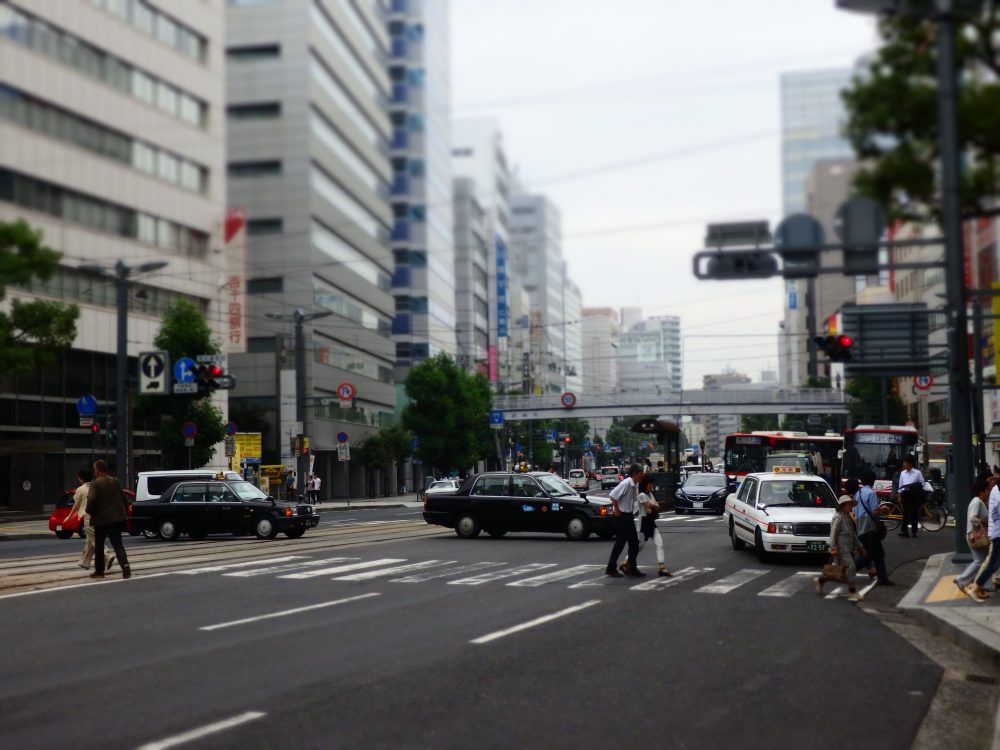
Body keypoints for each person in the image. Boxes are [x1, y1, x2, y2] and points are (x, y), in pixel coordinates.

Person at [814, 495, 866, 601]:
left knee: (838, 572)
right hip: (840, 550)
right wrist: (833, 548)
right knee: (851, 567)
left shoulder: (847, 516)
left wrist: (860, 547)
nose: (851, 506)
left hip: (848, 548)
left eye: (851, 504)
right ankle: (852, 592)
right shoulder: (838, 517)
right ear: (843, 505)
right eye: (849, 504)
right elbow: (833, 534)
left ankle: (820, 580)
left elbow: (853, 534)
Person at [86, 460, 131, 580]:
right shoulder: (115, 481)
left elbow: (91, 499)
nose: (94, 472)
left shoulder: (95, 483)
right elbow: (124, 499)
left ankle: (99, 571)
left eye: (95, 469)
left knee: (99, 545)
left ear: (98, 470)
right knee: (118, 545)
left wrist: (89, 510)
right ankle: (125, 565)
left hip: (101, 520)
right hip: (116, 519)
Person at [66, 467, 114, 572]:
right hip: (100, 516)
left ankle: (107, 555)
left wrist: (69, 517)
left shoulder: (80, 489)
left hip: (88, 517)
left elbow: (76, 505)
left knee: (94, 540)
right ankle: (85, 562)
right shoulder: (96, 486)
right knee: (90, 539)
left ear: (81, 478)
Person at [605, 463, 646, 578]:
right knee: (620, 544)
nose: (642, 476)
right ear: (634, 473)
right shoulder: (626, 483)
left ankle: (631, 568)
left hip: (628, 516)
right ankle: (611, 568)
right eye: (641, 474)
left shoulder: (634, 485)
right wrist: (617, 510)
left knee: (634, 544)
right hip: (621, 517)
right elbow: (613, 496)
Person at [854, 470, 893, 586]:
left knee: (878, 553)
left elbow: (854, 511)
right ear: (873, 481)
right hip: (870, 526)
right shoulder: (871, 493)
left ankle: (882, 578)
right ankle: (852, 568)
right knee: (874, 553)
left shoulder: (858, 493)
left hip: (860, 526)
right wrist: (884, 508)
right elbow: (875, 512)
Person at [955, 477, 992, 599]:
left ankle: (977, 586)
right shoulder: (977, 502)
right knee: (979, 562)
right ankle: (962, 580)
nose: (988, 493)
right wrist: (983, 523)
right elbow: (973, 518)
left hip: (972, 534)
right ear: (983, 491)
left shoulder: (976, 501)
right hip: (975, 536)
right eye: (987, 490)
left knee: (981, 561)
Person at [969, 476, 1000, 602]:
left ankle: (977, 586)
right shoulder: (997, 493)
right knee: (992, 563)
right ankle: (975, 587)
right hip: (998, 534)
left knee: (992, 563)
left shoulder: (995, 491)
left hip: (996, 532)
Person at [635, 475, 670, 577]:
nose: (651, 486)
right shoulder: (641, 495)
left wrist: (652, 506)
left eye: (652, 484)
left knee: (659, 542)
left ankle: (661, 566)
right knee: (639, 546)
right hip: (643, 523)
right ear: (645, 484)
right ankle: (627, 561)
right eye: (650, 484)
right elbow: (649, 508)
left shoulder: (650, 495)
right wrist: (653, 505)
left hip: (650, 522)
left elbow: (654, 507)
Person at [897, 455, 926, 538]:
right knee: (905, 513)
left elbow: (922, 483)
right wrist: (899, 495)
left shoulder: (917, 472)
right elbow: (900, 485)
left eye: (905, 463)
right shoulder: (902, 473)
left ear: (910, 464)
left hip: (914, 494)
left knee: (914, 513)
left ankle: (914, 532)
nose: (904, 464)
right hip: (905, 494)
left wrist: (914, 486)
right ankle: (904, 531)